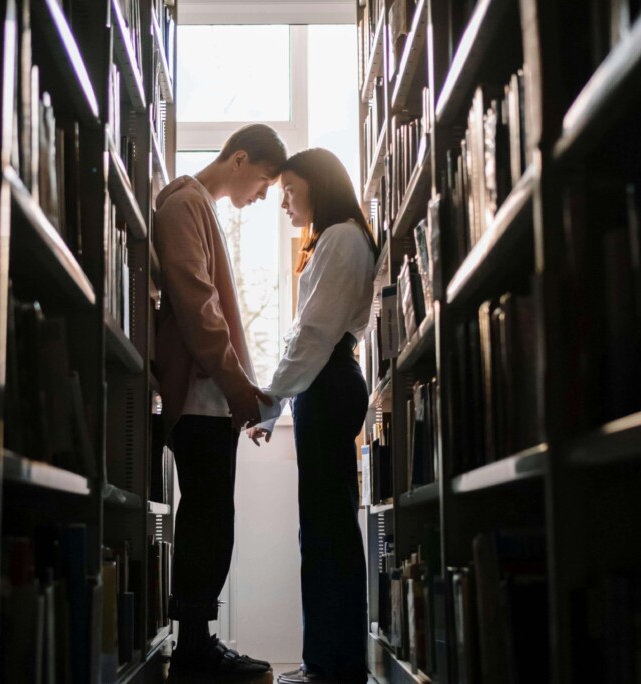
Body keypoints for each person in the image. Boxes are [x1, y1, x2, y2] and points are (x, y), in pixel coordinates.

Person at [153, 123, 288, 679]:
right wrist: (237, 388)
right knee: (207, 520)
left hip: (211, 398)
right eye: (263, 181)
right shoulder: (185, 205)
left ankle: (198, 643)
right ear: (239, 159)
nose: (262, 196)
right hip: (201, 399)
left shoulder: (197, 207)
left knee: (211, 519)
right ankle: (193, 651)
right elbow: (198, 307)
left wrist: (239, 391)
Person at [249, 148, 377, 684]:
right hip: (325, 383)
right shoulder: (339, 237)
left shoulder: (341, 238)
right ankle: (330, 662)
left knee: (325, 531)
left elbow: (313, 335)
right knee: (327, 527)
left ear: (317, 186)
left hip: (326, 385)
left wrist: (269, 399)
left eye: (289, 190)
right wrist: (277, 400)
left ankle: (329, 666)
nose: (284, 202)